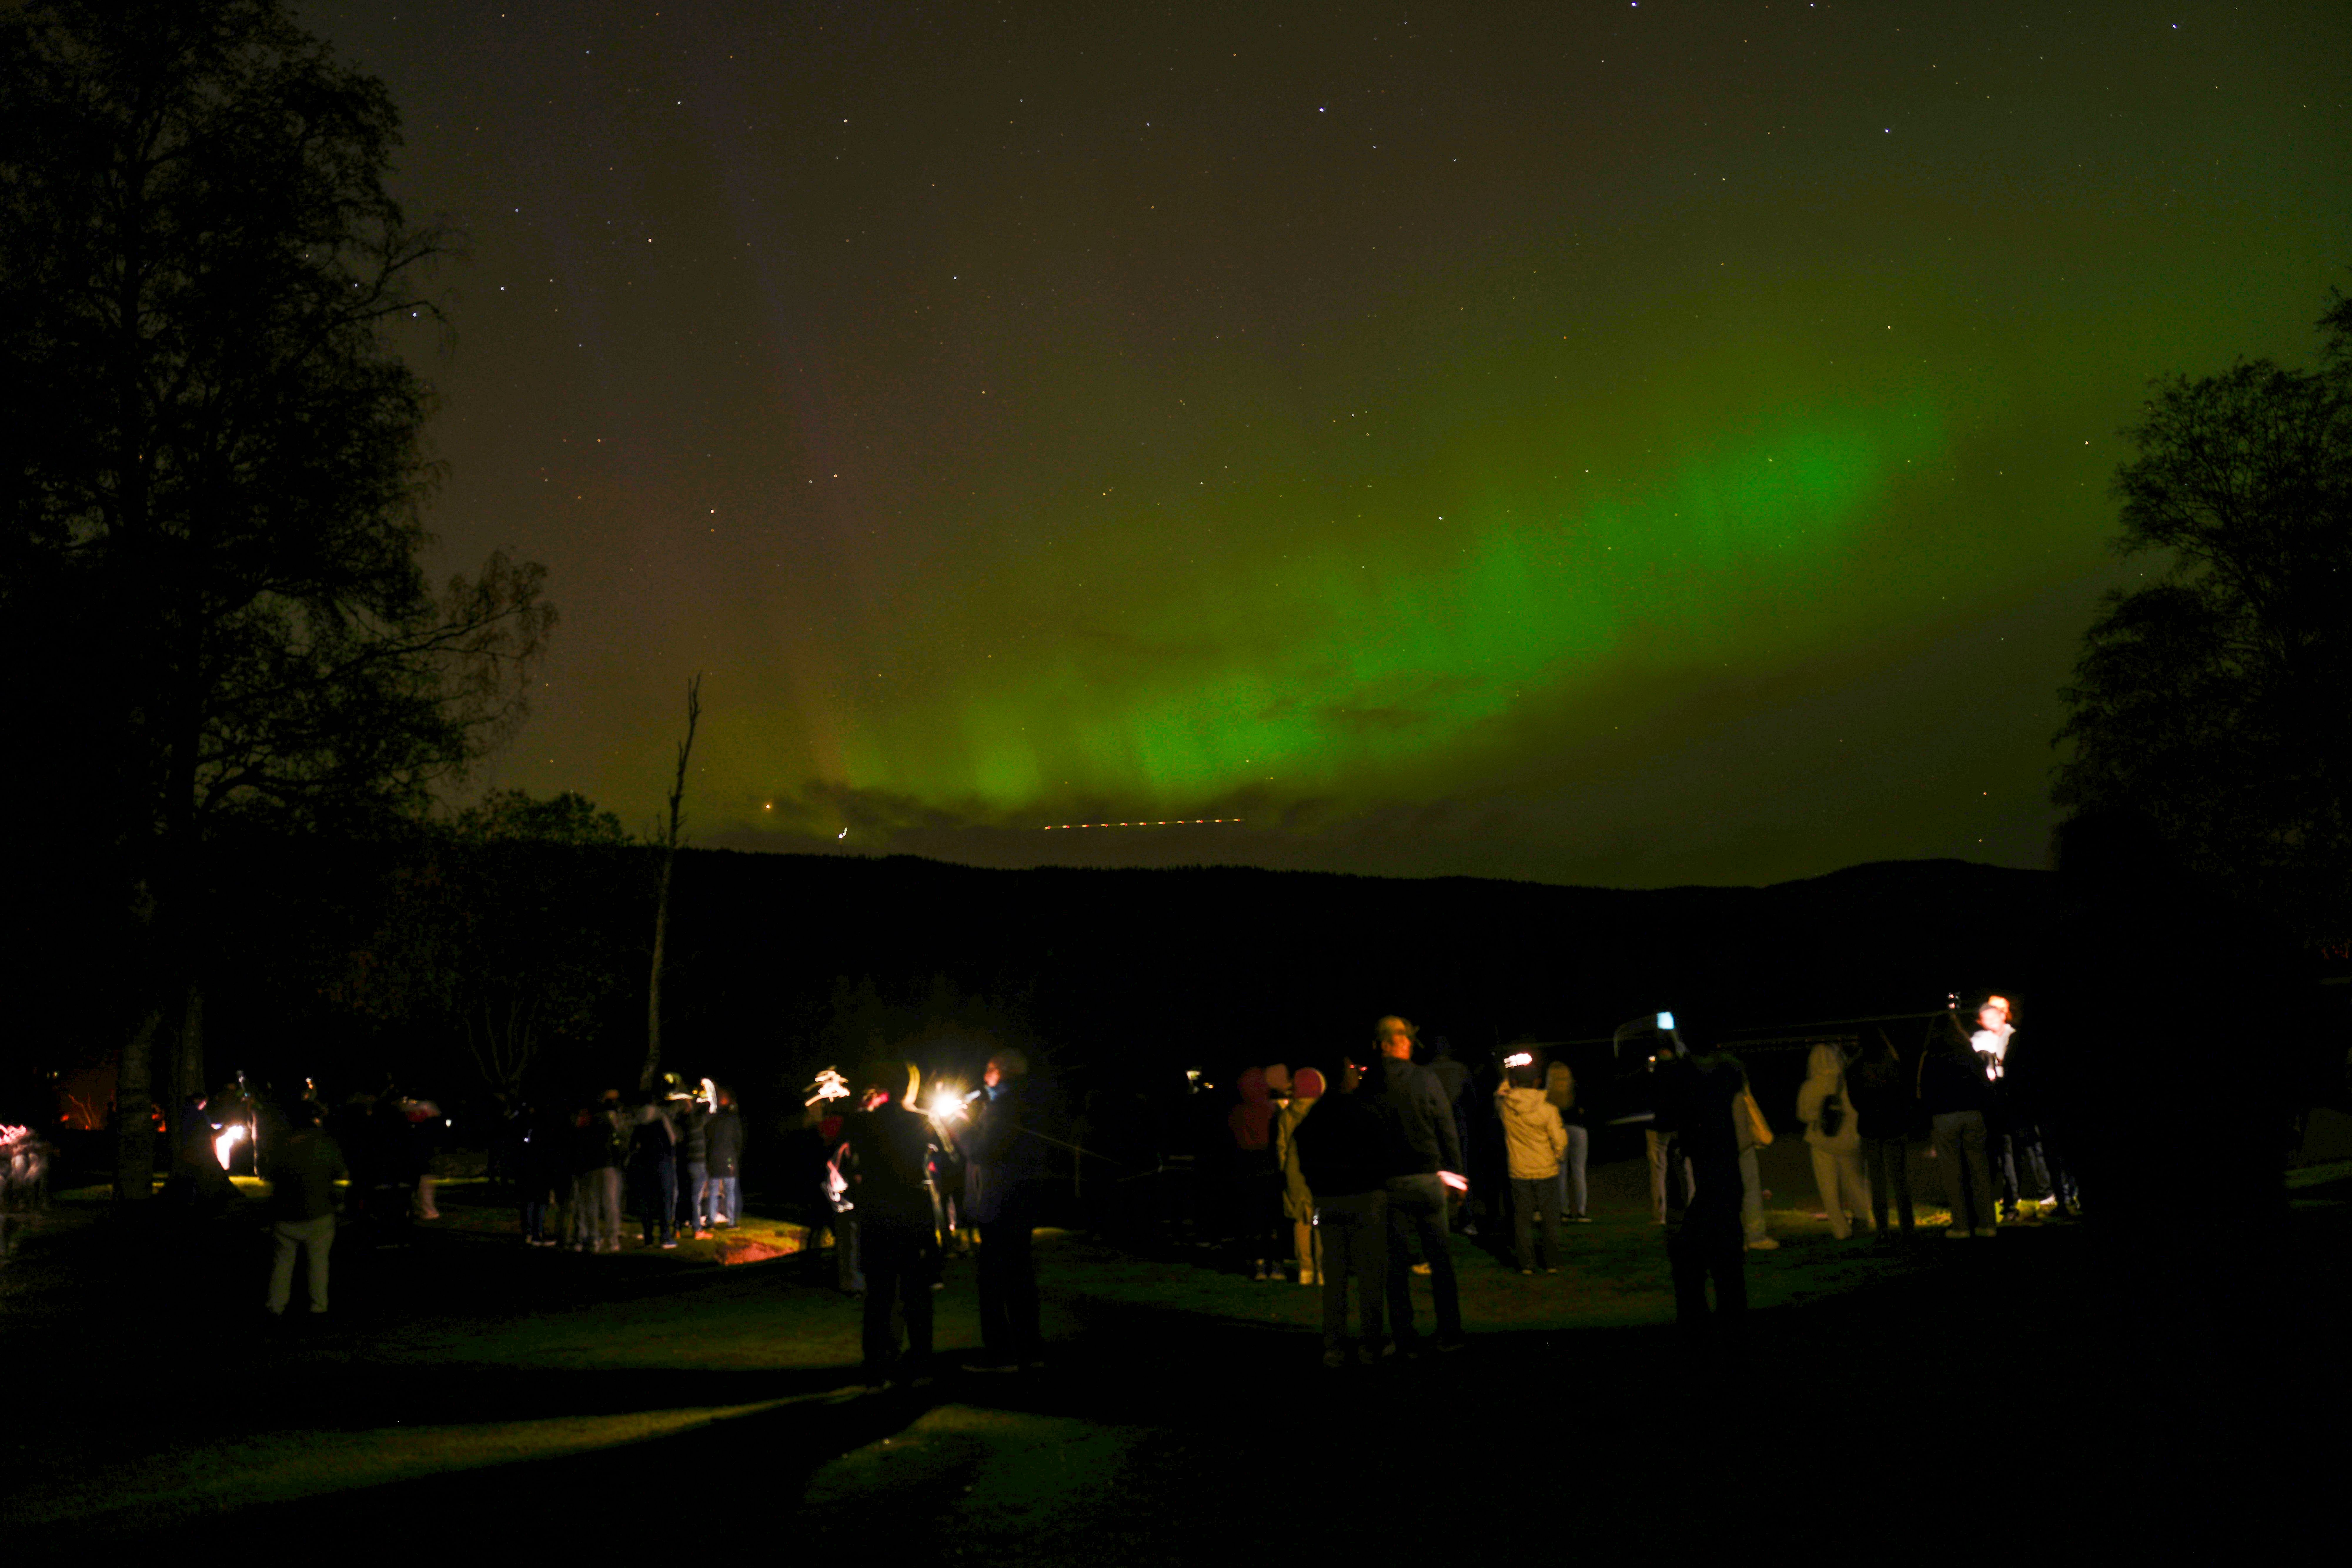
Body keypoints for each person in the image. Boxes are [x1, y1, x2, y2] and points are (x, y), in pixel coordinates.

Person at [841, 1061, 943, 1389]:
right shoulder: (922, 1119)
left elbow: (849, 1161)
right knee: (916, 1291)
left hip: (877, 1210)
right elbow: (948, 1158)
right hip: (912, 1210)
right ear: (911, 1087)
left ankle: (875, 1363)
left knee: (879, 1294)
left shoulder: (864, 1121)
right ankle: (921, 1360)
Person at [1653, 1027, 1748, 1369]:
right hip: (1725, 1169)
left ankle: (1698, 1335)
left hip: (1704, 1168)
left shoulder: (1683, 1074)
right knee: (1727, 1258)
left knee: (1689, 1259)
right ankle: (1733, 1331)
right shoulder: (1730, 1070)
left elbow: (1665, 1116)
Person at [1293, 1057, 1395, 1366]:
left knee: (1335, 1277)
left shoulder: (1317, 1114)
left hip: (1331, 1199)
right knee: (1370, 1274)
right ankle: (1369, 1343)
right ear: (1347, 1078)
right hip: (1365, 1197)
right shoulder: (1365, 1111)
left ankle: (1334, 1345)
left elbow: (1302, 1147)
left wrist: (1317, 1184)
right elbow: (1385, 1149)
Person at [1374, 1016, 1465, 1353]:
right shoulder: (1425, 1078)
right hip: (1427, 1179)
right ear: (1396, 1043)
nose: (1410, 1043)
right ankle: (1451, 1331)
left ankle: (1403, 1335)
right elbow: (1446, 1127)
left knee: (1395, 1266)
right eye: (1406, 1038)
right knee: (1440, 1260)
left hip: (1390, 1183)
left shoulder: (1371, 1085)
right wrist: (1454, 1173)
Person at [960, 1048, 1046, 1371]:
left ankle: (1000, 1353)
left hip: (999, 1203)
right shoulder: (1024, 1104)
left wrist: (959, 1123)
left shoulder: (1006, 1107)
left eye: (990, 1069)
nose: (985, 1075)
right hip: (1018, 1201)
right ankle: (1029, 1349)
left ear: (1004, 1072)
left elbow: (980, 1151)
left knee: (994, 1280)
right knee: (1020, 1276)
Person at [263, 1101, 347, 1319]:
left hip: (286, 1212)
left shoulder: (281, 1143)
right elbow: (339, 1172)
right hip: (319, 1210)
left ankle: (276, 1306)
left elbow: (270, 1173)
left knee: (282, 1263)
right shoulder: (324, 1143)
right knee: (318, 1263)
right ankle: (318, 1307)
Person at [1919, 1012, 1998, 1239]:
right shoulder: (1968, 1054)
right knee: (1980, 1170)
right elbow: (1984, 1084)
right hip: (1972, 1113)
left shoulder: (1931, 1056)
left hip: (1945, 1117)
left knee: (1952, 1173)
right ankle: (1987, 1224)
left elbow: (1924, 1092)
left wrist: (1928, 1120)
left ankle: (1961, 1226)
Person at [1494, 1056, 1568, 1274]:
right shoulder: (1547, 1108)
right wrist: (1558, 1158)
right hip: (1546, 1168)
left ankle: (1527, 1264)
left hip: (1519, 1170)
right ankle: (1552, 1262)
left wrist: (1510, 1077)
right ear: (1537, 1081)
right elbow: (1560, 1140)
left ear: (1515, 1081)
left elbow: (1500, 1093)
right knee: (1550, 1218)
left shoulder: (1506, 1106)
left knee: (1522, 1219)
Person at [1848, 1028, 1916, 1244]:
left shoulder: (1856, 1068)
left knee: (1877, 1182)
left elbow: (1855, 1100)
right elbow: (1906, 1094)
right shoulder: (1894, 1065)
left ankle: (1883, 1229)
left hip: (1870, 1126)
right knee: (1900, 1179)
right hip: (1894, 1125)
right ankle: (1908, 1228)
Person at [1797, 1041, 1871, 1240]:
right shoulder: (1845, 1082)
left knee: (1828, 1187)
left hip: (1820, 1140)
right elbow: (1854, 1111)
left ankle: (1840, 1228)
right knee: (1855, 1181)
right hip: (1846, 1140)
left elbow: (1803, 1115)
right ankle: (1864, 1217)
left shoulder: (1810, 1086)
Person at [1230, 1066, 1286, 1280]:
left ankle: (1260, 1264)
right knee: (1273, 1219)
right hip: (1271, 1167)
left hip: (1246, 1168)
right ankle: (1277, 1264)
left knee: (1253, 1218)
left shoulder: (1238, 1112)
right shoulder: (1273, 1109)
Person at [1275, 1067, 1324, 1285]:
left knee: (1301, 1221)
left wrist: (1285, 1169)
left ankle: (1305, 1269)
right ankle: (1321, 1269)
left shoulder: (1288, 1114)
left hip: (1294, 1172)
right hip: (1319, 1171)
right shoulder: (1323, 1112)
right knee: (1320, 1221)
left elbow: (1281, 1147)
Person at [571, 1092, 626, 1253]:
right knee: (609, 1205)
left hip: (590, 1166)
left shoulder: (585, 1121)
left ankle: (595, 1239)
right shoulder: (607, 1120)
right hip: (605, 1165)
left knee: (592, 1205)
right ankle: (611, 1240)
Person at [1734, 1063, 1777, 1252]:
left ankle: (1737, 1238)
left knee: (1727, 1194)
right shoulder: (1740, 1095)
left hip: (1721, 1148)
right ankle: (1755, 1236)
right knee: (1750, 1191)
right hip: (1742, 1146)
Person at [628, 1090, 679, 1249]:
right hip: (662, 1161)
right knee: (665, 1199)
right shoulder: (661, 1118)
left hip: (644, 1164)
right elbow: (672, 1140)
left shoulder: (638, 1121)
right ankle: (665, 1236)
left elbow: (632, 1146)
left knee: (647, 1201)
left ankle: (648, 1236)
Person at [1545, 1061, 1592, 1223]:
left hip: (1559, 1131)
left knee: (1561, 1173)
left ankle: (1564, 1211)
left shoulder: (1549, 1095)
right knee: (1579, 1172)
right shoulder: (1576, 1090)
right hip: (1578, 1130)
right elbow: (1586, 1108)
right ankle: (1581, 1211)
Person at [706, 1087, 744, 1227]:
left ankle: (711, 1221)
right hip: (729, 1160)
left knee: (713, 1192)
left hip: (714, 1160)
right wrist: (735, 1157)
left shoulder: (712, 1119)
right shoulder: (733, 1119)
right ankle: (732, 1222)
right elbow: (738, 1141)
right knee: (730, 1193)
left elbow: (708, 1139)